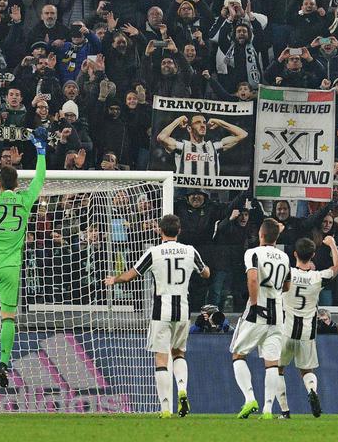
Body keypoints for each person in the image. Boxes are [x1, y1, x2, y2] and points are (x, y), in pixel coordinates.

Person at [104, 214, 209, 418]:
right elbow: (205, 273)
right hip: (183, 310)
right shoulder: (190, 251)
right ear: (179, 231)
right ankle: (182, 389)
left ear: (160, 231)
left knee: (161, 358)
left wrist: (114, 280)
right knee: (179, 353)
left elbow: (132, 274)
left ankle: (165, 408)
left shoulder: (154, 252)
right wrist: (203, 268)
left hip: (161, 310)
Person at [0, 121, 48, 387]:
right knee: (8, 317)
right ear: (17, 183)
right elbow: (40, 179)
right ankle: (3, 362)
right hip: (11, 267)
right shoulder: (25, 200)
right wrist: (41, 151)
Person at [230, 218, 290, 419]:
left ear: (260, 235)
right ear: (276, 237)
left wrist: (255, 304)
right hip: (278, 314)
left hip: (258, 311)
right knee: (272, 363)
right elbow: (287, 286)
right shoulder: (284, 257)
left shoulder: (253, 253)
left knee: (238, 354)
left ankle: (249, 399)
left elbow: (253, 278)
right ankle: (267, 410)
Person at [281, 236, 338, 418]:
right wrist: (332, 244)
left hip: (285, 330)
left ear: (295, 254)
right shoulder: (317, 277)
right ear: (313, 255)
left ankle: (285, 411)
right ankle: (312, 390)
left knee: (276, 369)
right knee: (307, 370)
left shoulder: (288, 273)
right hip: (307, 332)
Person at [155, 114, 249, 180]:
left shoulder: (214, 146)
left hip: (208, 193)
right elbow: (161, 137)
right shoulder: (181, 146)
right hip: (184, 192)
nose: (203, 125)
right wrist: (178, 120)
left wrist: (219, 122)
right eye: (198, 122)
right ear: (189, 128)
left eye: (204, 122)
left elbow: (243, 134)